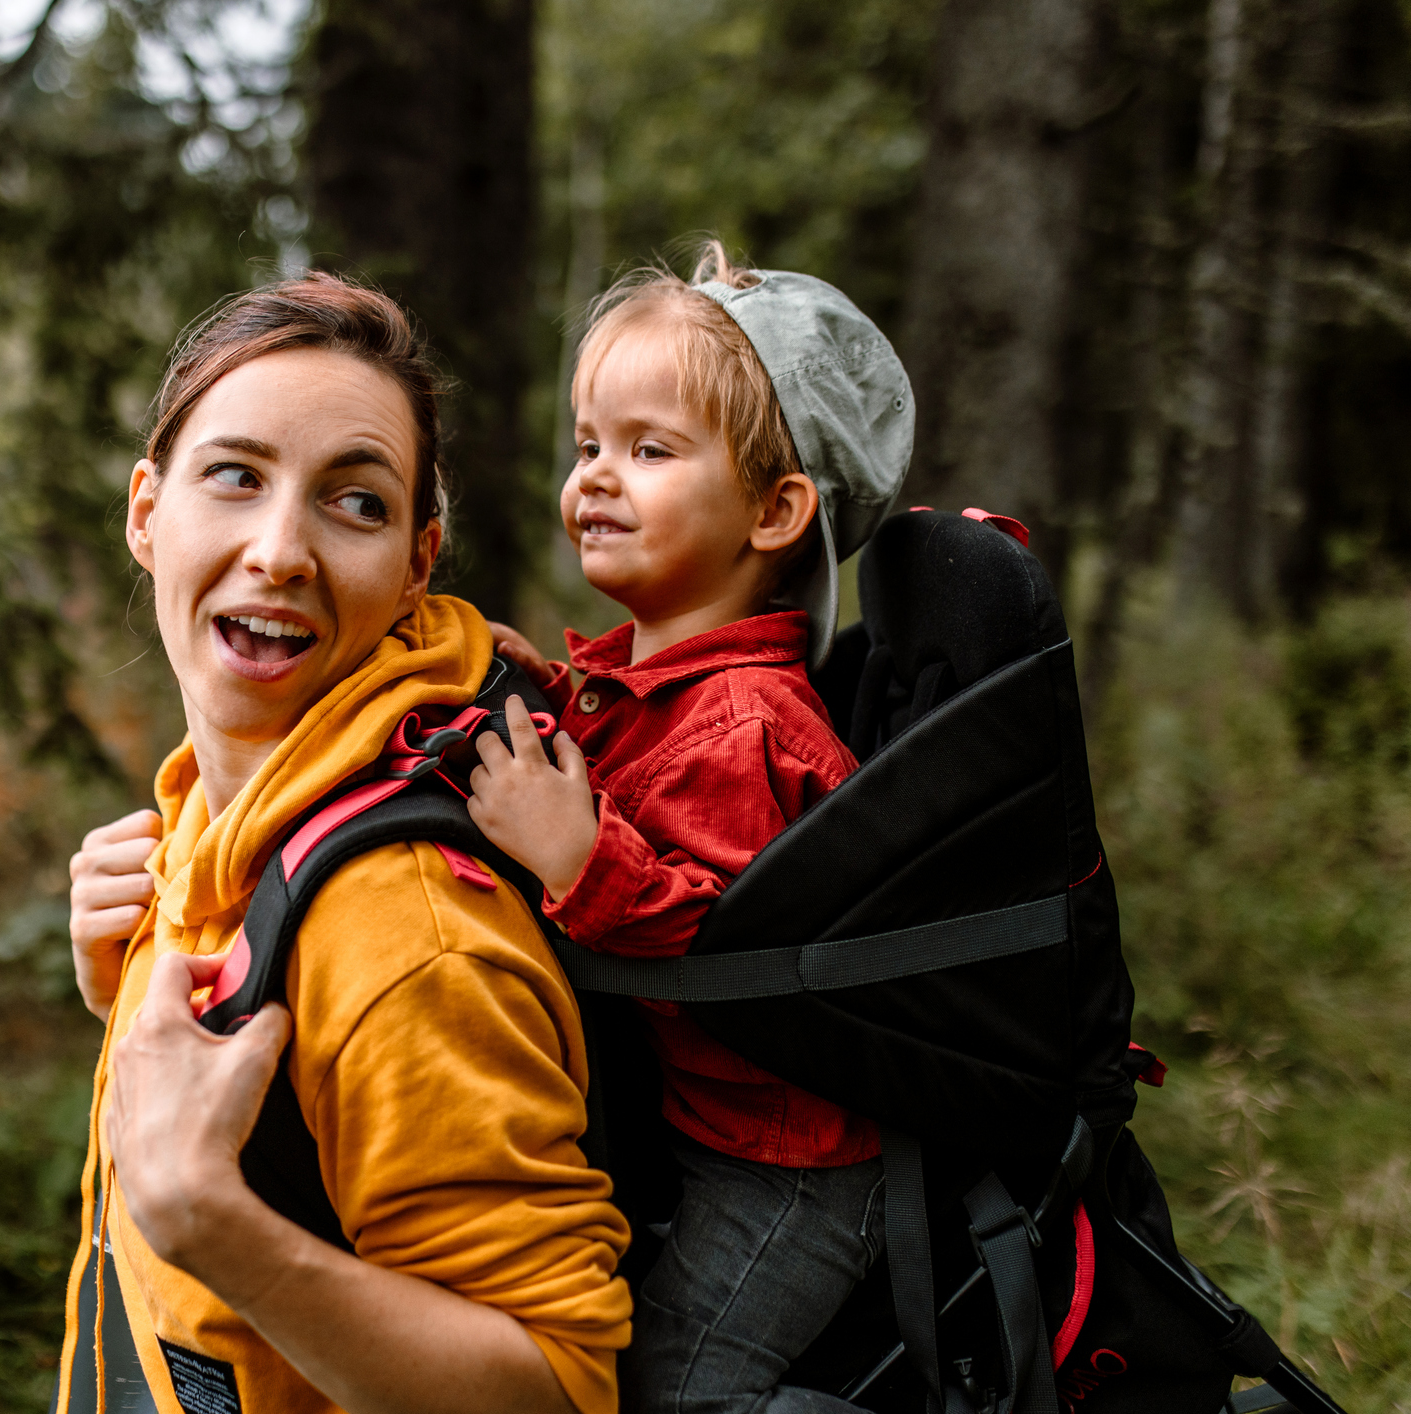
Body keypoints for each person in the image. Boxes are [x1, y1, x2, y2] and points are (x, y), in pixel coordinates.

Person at [58, 272, 631, 1414]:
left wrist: (208, 1222)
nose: (278, 550)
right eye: (234, 475)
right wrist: (117, 979)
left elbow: (555, 1388)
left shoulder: (407, 935)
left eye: (354, 503)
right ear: (144, 511)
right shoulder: (217, 812)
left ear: (416, 564)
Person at [463, 244, 913, 1414]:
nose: (597, 478)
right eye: (588, 444)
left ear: (772, 511)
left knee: (677, 1389)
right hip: (707, 1126)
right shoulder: (657, 680)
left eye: (649, 451)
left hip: (792, 1168)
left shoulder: (748, 727)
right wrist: (543, 696)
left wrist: (571, 852)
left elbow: (724, 939)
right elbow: (632, 765)